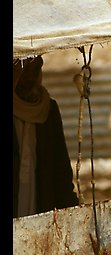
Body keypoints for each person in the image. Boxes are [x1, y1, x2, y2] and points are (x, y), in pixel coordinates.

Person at [13, 56, 79, 218]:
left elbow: (60, 165)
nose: (29, 77)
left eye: (34, 70)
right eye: (23, 71)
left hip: (40, 203)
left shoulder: (48, 109)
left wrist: (71, 214)